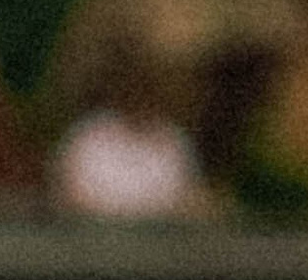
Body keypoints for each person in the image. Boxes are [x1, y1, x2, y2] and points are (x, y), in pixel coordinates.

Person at [51, 53, 210, 220]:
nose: (139, 100)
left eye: (147, 93)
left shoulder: (174, 143)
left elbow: (186, 200)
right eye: (133, 90)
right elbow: (69, 198)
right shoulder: (87, 137)